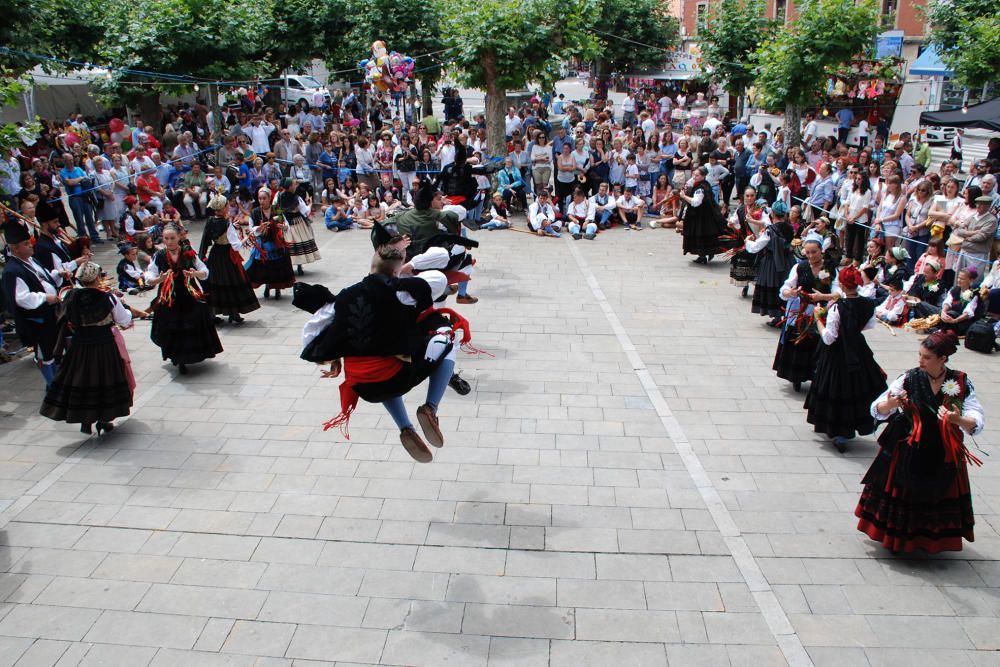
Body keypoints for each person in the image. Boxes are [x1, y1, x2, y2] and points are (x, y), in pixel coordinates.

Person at [300, 246, 468, 463]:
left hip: (361, 384)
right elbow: (438, 281)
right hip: (393, 377)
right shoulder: (405, 291)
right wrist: (407, 270)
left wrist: (333, 359)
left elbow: (310, 333)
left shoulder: (343, 297)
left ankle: (406, 429)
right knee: (446, 335)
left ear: (371, 266)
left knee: (382, 360)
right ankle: (430, 407)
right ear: (396, 271)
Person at [857, 330, 984, 553]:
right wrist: (891, 405)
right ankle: (900, 540)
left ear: (943, 358)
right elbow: (877, 408)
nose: (920, 361)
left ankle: (930, 541)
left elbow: (976, 419)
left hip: (943, 451)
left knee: (937, 494)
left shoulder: (961, 381)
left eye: (926, 357)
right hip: (909, 448)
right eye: (920, 355)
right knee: (906, 491)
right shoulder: (909, 378)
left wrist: (958, 419)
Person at [39, 262, 135, 435]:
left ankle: (86, 419)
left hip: (80, 346)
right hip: (104, 345)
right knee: (105, 380)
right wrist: (126, 309)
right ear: (97, 278)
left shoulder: (70, 297)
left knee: (82, 379)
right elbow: (124, 320)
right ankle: (103, 419)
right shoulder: (108, 298)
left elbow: (63, 319)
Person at [804, 265, 887, 451]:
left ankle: (838, 431)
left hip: (837, 353)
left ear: (841, 284)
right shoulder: (867, 303)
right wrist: (852, 329)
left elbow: (828, 338)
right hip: (858, 349)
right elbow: (869, 325)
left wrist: (818, 319)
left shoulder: (837, 308)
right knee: (857, 387)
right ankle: (852, 426)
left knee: (836, 387)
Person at [144, 223, 223, 374]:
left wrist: (195, 274)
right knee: (173, 326)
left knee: (192, 323)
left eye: (172, 238)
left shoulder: (188, 253)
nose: (169, 241)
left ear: (179, 237)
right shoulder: (159, 256)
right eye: (166, 238)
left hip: (188, 295)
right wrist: (158, 280)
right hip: (170, 298)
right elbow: (149, 275)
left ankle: (193, 354)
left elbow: (204, 270)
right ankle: (178, 359)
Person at [773, 234, 839, 392]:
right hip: (801, 311)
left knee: (818, 343)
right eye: (807, 253)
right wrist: (791, 293)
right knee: (799, 342)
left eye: (814, 252)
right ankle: (797, 377)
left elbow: (838, 293)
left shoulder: (830, 268)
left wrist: (823, 297)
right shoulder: (799, 267)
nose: (811, 256)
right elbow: (786, 287)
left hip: (821, 312)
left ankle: (816, 375)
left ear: (821, 251)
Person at [1, 222, 62, 385]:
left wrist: (58, 275)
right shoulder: (12, 271)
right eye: (26, 244)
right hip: (37, 322)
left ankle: (61, 382)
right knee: (45, 354)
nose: (30, 246)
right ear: (15, 249)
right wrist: (44, 297)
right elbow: (22, 298)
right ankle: (53, 387)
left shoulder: (32, 261)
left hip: (50, 315)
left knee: (55, 351)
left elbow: (45, 278)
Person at [199, 194, 260, 325]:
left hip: (215, 256)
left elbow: (205, 240)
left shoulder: (210, 221)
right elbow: (236, 246)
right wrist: (247, 237)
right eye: (227, 205)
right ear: (223, 208)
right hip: (227, 256)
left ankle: (213, 313)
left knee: (216, 284)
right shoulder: (227, 223)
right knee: (232, 282)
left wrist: (202, 257)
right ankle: (233, 313)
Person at [747, 201, 795, 325]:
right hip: (787, 261)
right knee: (784, 285)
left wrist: (747, 242)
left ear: (772, 213)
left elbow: (756, 247)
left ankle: (777, 317)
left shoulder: (770, 230)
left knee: (773, 285)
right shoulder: (790, 228)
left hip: (772, 263)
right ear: (785, 214)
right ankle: (784, 315)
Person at [246, 188, 295, 300]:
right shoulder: (255, 212)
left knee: (278, 266)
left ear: (269, 198)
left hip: (276, 242)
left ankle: (277, 288)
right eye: (259, 198)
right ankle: (268, 286)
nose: (261, 201)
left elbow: (286, 224)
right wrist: (259, 228)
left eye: (264, 198)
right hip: (263, 243)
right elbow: (251, 228)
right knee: (265, 268)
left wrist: (284, 227)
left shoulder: (277, 210)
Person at [724, 189, 766, 297]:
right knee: (744, 263)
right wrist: (731, 223)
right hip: (744, 239)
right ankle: (745, 285)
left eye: (752, 195)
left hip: (757, 240)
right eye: (747, 195)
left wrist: (756, 227)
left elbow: (765, 224)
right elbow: (735, 220)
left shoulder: (760, 209)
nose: (749, 198)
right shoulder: (741, 209)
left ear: (755, 196)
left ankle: (757, 287)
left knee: (757, 264)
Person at [275, 178, 320, 276]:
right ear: (290, 186)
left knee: (289, 244)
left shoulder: (279, 196)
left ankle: (289, 267)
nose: (296, 186)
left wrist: (281, 220)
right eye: (295, 184)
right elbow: (306, 211)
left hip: (285, 222)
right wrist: (310, 204)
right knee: (299, 242)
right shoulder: (297, 198)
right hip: (297, 223)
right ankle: (299, 266)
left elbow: (277, 209)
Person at [680, 166, 723, 264]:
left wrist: (684, 196)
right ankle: (702, 255)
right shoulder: (702, 183)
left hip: (702, 216)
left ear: (703, 176)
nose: (694, 177)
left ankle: (705, 255)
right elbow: (689, 182)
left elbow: (696, 202)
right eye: (694, 174)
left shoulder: (702, 188)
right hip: (702, 215)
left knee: (702, 235)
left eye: (697, 175)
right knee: (701, 236)